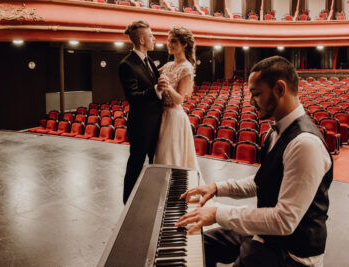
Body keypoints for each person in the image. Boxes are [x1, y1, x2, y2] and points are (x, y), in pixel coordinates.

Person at [176, 56, 333, 267]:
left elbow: (284, 221)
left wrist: (217, 213)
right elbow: (263, 182)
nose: (251, 102)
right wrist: (216, 188)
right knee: (200, 243)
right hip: (267, 235)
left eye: (256, 94)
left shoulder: (305, 144)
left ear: (279, 89)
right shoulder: (276, 132)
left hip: (293, 253)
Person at [118, 20, 169, 204]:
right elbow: (133, 96)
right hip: (141, 127)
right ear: (141, 39)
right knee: (135, 167)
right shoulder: (127, 64)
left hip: (156, 124)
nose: (154, 38)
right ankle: (128, 203)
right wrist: (155, 89)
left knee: (154, 165)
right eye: (151, 36)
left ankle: (151, 199)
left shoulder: (149, 61)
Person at [154, 26, 201, 174]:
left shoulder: (186, 68)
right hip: (161, 116)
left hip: (174, 118)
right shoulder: (168, 66)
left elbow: (179, 99)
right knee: (160, 157)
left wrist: (167, 87)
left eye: (173, 41)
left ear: (184, 44)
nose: (169, 44)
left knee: (169, 157)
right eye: (168, 41)